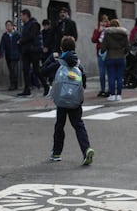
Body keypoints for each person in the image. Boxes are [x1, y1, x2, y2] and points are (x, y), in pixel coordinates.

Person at [48, 36, 94, 166]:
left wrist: (51, 59)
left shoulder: (59, 63)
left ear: (61, 49)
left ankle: (56, 153)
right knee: (78, 125)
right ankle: (86, 150)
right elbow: (83, 80)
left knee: (59, 125)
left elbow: (44, 71)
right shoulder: (78, 64)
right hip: (75, 100)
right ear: (74, 49)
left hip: (62, 100)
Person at [17, 9, 49, 97]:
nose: (21, 17)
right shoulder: (25, 25)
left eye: (21, 15)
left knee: (36, 70)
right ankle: (26, 89)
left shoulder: (34, 24)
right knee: (25, 69)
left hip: (34, 50)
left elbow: (31, 36)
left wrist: (21, 41)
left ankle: (46, 86)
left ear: (26, 15)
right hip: (26, 51)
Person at [101, 19, 130, 102]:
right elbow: (128, 47)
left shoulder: (108, 34)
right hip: (121, 57)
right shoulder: (124, 34)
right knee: (120, 77)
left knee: (111, 77)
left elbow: (103, 48)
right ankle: (119, 95)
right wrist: (123, 53)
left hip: (110, 57)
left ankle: (112, 95)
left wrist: (103, 51)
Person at [91, 14, 110, 97]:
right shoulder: (97, 30)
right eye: (102, 21)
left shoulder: (109, 30)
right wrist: (99, 31)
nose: (104, 23)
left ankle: (110, 89)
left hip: (109, 53)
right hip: (100, 53)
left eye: (105, 21)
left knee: (109, 72)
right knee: (102, 72)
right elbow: (93, 40)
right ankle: (102, 89)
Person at [0, 20, 21, 91]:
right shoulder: (5, 36)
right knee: (11, 70)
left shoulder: (17, 34)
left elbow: (21, 44)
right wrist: (1, 53)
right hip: (8, 55)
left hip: (15, 55)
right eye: (7, 26)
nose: (8, 27)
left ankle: (13, 84)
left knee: (12, 68)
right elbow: (2, 45)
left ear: (12, 26)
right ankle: (15, 83)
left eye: (9, 25)